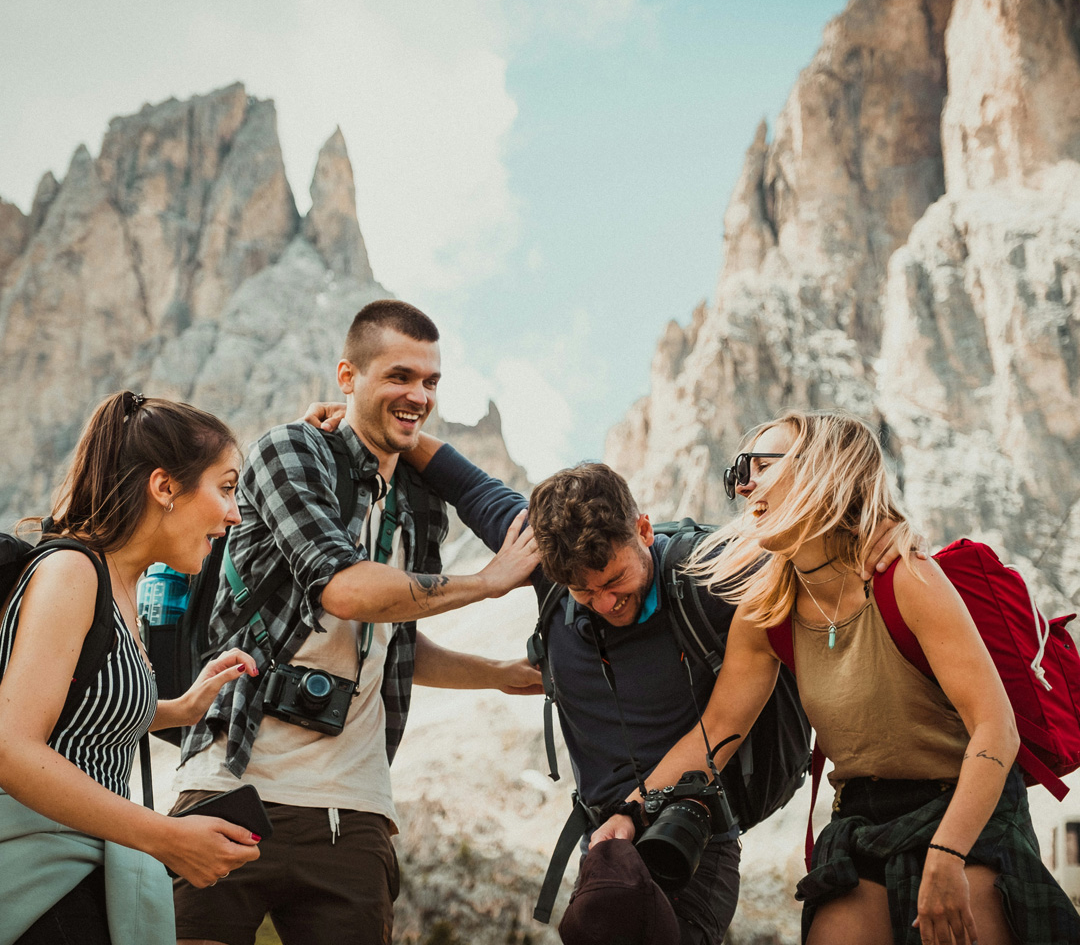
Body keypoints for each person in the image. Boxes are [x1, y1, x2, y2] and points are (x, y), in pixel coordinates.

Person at [301, 403, 910, 945]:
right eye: (582, 593)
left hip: (692, 841)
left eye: (616, 581)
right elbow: (468, 484)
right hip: (605, 849)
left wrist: (886, 529)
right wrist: (376, 421)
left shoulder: (709, 575)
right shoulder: (551, 565)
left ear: (643, 529)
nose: (606, 604)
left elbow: (814, 541)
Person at [591, 410, 1080, 945]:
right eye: (740, 471)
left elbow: (996, 731)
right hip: (861, 819)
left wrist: (948, 854)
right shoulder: (765, 612)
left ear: (823, 470)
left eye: (761, 465)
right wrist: (632, 811)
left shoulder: (906, 578)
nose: (744, 483)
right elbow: (716, 734)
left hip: (964, 806)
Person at [172, 300, 541, 945]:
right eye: (399, 376)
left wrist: (498, 674)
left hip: (355, 811)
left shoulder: (421, 503)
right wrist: (488, 583)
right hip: (231, 787)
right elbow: (345, 590)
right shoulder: (291, 452)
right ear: (348, 376)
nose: (418, 395)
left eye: (430, 382)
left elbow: (393, 628)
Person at [0, 391, 263, 945]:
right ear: (165, 487)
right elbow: (13, 748)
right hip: (40, 885)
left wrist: (178, 708)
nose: (235, 513)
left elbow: (79, 714)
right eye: (226, 487)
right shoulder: (73, 571)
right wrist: (167, 838)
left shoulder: (122, 587)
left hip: (86, 876)